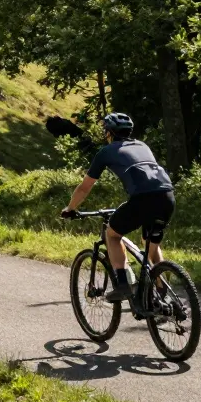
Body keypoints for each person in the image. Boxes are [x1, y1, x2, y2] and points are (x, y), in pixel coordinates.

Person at [59, 113, 175, 302]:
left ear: (109, 132)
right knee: (152, 244)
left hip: (142, 199)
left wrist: (70, 208)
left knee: (112, 235)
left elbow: (85, 187)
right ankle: (163, 296)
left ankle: (123, 285)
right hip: (167, 197)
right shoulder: (142, 146)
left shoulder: (106, 151)